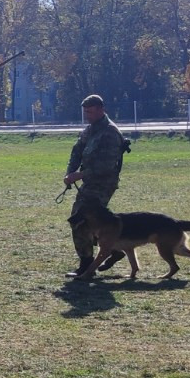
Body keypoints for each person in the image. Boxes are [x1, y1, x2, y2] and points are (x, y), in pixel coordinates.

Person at [63, 94, 129, 278]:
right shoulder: (90, 130)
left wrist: (80, 174)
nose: (88, 116)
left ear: (101, 109)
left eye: (91, 112)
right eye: (86, 113)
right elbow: (76, 151)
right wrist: (70, 173)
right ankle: (113, 250)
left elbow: (106, 166)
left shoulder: (110, 133)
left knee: (80, 220)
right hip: (89, 182)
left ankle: (86, 265)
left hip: (103, 184)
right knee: (90, 222)